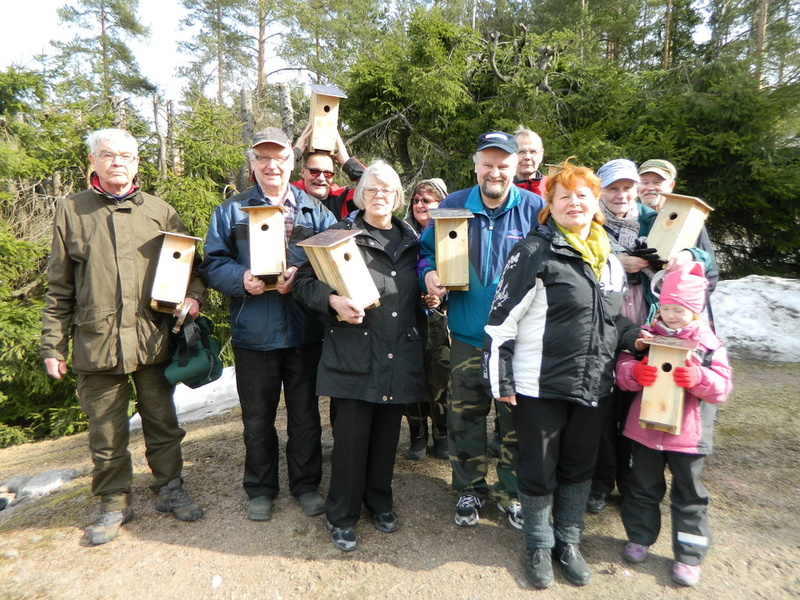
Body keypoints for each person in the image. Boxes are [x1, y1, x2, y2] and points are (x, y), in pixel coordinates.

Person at [41, 128, 205, 546]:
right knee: (106, 431)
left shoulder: (160, 211)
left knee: (163, 422)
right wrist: (52, 345)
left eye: (127, 156)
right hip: (97, 342)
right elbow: (58, 287)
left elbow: (192, 268)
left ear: (136, 163)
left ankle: (169, 488)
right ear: (93, 161)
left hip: (151, 339)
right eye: (108, 155)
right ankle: (114, 502)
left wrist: (193, 297)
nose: (118, 162)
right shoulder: (72, 211)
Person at [482, 160, 629, 589]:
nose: (574, 203)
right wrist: (501, 381)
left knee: (579, 466)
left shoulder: (609, 260)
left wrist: (636, 338)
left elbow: (612, 322)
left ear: (596, 202)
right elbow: (500, 323)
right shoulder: (533, 252)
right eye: (564, 196)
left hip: (593, 384)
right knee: (538, 468)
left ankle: (568, 541)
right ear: (550, 204)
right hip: (539, 385)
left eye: (583, 195)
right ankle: (538, 544)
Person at [201, 127, 337, 523]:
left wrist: (304, 274)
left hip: (304, 331)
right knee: (257, 419)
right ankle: (260, 489)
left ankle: (306, 485)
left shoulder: (315, 211)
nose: (271, 165)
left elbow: (333, 258)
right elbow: (213, 263)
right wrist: (241, 279)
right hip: (254, 333)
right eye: (263, 158)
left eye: (278, 158)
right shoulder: (231, 211)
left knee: (305, 416)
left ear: (291, 162)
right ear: (253, 164)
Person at [292, 160, 425, 552]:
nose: (379, 196)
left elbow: (421, 288)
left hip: (398, 351)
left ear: (398, 197)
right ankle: (342, 513)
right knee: (351, 440)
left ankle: (378, 500)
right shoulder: (339, 235)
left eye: (387, 190)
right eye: (372, 189)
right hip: (354, 352)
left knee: (386, 436)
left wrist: (431, 297)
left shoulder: (413, 240)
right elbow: (303, 283)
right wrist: (332, 301)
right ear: (360, 195)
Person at [419, 131, 545, 530]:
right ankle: (469, 487)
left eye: (503, 165)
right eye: (487, 164)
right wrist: (429, 274)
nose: (495, 172)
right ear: (475, 166)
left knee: (515, 421)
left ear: (515, 166)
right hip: (468, 336)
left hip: (517, 343)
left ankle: (511, 492)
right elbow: (425, 251)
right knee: (465, 417)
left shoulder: (535, 209)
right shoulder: (453, 206)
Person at [587, 159, 713, 515]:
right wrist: (616, 260)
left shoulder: (656, 218)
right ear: (600, 191)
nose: (621, 195)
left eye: (627, 188)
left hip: (648, 329)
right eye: (612, 188)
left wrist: (682, 255)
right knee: (602, 411)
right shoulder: (590, 221)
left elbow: (702, 258)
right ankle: (600, 481)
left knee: (639, 409)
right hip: (603, 327)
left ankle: (632, 485)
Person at [616, 261, 732, 587]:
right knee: (641, 488)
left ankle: (688, 555)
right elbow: (621, 371)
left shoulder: (708, 345)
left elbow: (722, 388)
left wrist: (698, 378)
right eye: (666, 308)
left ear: (695, 311)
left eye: (679, 310)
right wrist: (634, 373)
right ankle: (639, 538)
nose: (671, 315)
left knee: (689, 495)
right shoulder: (647, 337)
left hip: (688, 437)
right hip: (645, 431)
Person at [402, 178, 450, 460]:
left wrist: (441, 296)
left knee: (441, 374)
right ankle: (417, 433)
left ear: (441, 204)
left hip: (443, 316)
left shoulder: (452, 232)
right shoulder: (403, 233)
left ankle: (442, 432)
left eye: (427, 200)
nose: (420, 205)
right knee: (413, 373)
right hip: (410, 314)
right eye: (416, 200)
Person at [637, 159, 720, 293]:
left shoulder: (688, 219)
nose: (650, 188)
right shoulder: (628, 219)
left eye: (657, 182)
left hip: (677, 301)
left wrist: (688, 304)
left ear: (671, 185)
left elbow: (710, 273)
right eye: (644, 182)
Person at [291, 122, 365, 220]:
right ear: (303, 172)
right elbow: (272, 176)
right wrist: (294, 154)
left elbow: (377, 188)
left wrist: (348, 162)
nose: (321, 178)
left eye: (328, 173)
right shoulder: (290, 195)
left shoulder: (343, 199)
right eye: (315, 172)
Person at [513, 126, 546, 196]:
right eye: (521, 152)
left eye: (533, 152)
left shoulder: (552, 186)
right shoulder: (504, 188)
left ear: (541, 154)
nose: (527, 157)